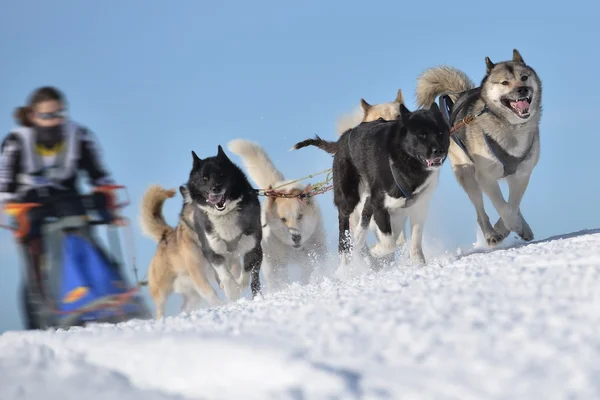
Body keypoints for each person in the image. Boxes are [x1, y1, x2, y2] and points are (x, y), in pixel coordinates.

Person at [0, 86, 121, 329]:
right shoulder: (16, 142)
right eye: (46, 116)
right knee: (37, 266)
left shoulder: (79, 135)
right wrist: (12, 208)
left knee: (88, 247)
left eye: (58, 114)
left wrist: (105, 195)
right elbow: (4, 185)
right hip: (32, 209)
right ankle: (41, 319)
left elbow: (99, 174)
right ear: (33, 116)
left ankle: (111, 296)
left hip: (70, 203)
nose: (53, 121)